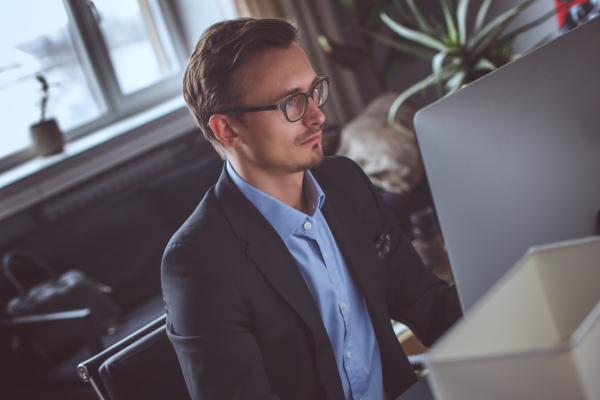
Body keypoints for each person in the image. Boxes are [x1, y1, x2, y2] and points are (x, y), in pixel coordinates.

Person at [161, 17, 461, 400]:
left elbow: (431, 307)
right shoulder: (196, 261)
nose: (317, 115)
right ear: (228, 131)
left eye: (313, 91)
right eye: (291, 102)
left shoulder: (347, 183)